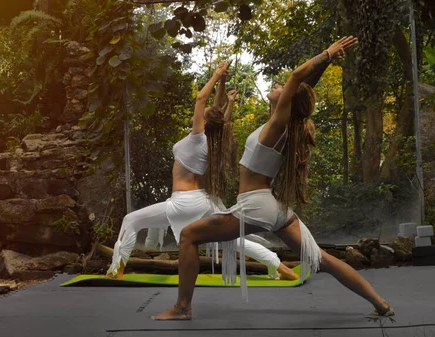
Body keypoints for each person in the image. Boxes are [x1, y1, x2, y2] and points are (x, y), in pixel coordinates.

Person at [152, 36, 394, 321]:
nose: (279, 86)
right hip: (274, 209)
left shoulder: (278, 125)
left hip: (256, 206)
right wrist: (324, 66)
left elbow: (296, 77)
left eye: (282, 88)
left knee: (189, 235)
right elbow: (303, 87)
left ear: (288, 101)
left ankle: (182, 307)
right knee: (323, 260)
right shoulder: (282, 125)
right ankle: (381, 303)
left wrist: (327, 54)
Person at [105, 62, 298, 281]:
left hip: (184, 202)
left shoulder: (199, 137)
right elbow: (217, 111)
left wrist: (216, 75)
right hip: (203, 201)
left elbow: (201, 99)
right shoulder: (211, 140)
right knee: (231, 240)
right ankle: (279, 266)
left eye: (203, 114)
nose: (201, 112)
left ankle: (116, 271)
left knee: (131, 220)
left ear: (204, 122)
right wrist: (224, 84)